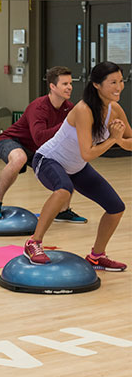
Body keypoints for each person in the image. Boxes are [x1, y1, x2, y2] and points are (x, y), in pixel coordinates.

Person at [24, 61, 130, 270]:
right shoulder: (84, 110)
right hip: (49, 159)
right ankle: (33, 242)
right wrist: (112, 140)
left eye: (121, 81)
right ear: (97, 85)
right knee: (64, 190)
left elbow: (129, 141)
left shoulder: (114, 109)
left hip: (76, 166)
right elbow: (88, 153)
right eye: (113, 82)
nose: (119, 87)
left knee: (116, 208)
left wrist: (118, 139)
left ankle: (96, 256)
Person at [0, 66, 86, 223]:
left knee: (69, 162)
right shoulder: (39, 107)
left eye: (70, 83)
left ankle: (63, 211)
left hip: (39, 149)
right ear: (52, 86)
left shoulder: (69, 108)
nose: (69, 87)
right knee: (19, 158)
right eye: (64, 84)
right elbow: (39, 137)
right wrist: (65, 124)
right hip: (12, 141)